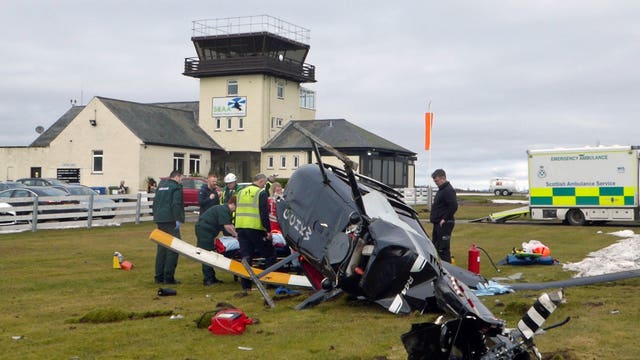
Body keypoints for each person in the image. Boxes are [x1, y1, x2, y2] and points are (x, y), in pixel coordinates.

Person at [234, 173, 274, 296]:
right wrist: (268, 230)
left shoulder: (241, 192)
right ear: (262, 181)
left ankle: (246, 286)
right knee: (270, 254)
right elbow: (263, 213)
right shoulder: (260, 193)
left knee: (246, 257)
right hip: (255, 228)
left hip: (241, 227)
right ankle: (270, 282)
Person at [195, 196, 237, 286]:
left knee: (210, 253)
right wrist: (236, 235)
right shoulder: (224, 210)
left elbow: (230, 225)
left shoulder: (225, 210)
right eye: (237, 207)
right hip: (204, 230)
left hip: (207, 230)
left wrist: (235, 232)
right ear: (233, 204)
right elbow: (227, 227)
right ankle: (208, 280)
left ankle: (212, 277)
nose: (236, 210)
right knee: (206, 254)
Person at [152, 170, 185, 284]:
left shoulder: (161, 186)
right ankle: (169, 277)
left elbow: (155, 202)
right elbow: (176, 204)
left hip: (160, 220)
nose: (182, 181)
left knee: (162, 248)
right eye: (181, 178)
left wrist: (156, 216)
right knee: (174, 248)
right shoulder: (176, 187)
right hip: (171, 220)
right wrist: (178, 219)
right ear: (176, 177)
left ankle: (158, 276)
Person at [429, 169, 458, 263]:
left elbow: (454, 206)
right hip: (437, 224)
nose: (435, 183)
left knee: (443, 249)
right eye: (434, 181)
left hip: (444, 224)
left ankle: (449, 272)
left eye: (436, 181)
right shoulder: (441, 190)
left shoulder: (448, 190)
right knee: (435, 247)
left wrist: (444, 219)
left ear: (443, 178)